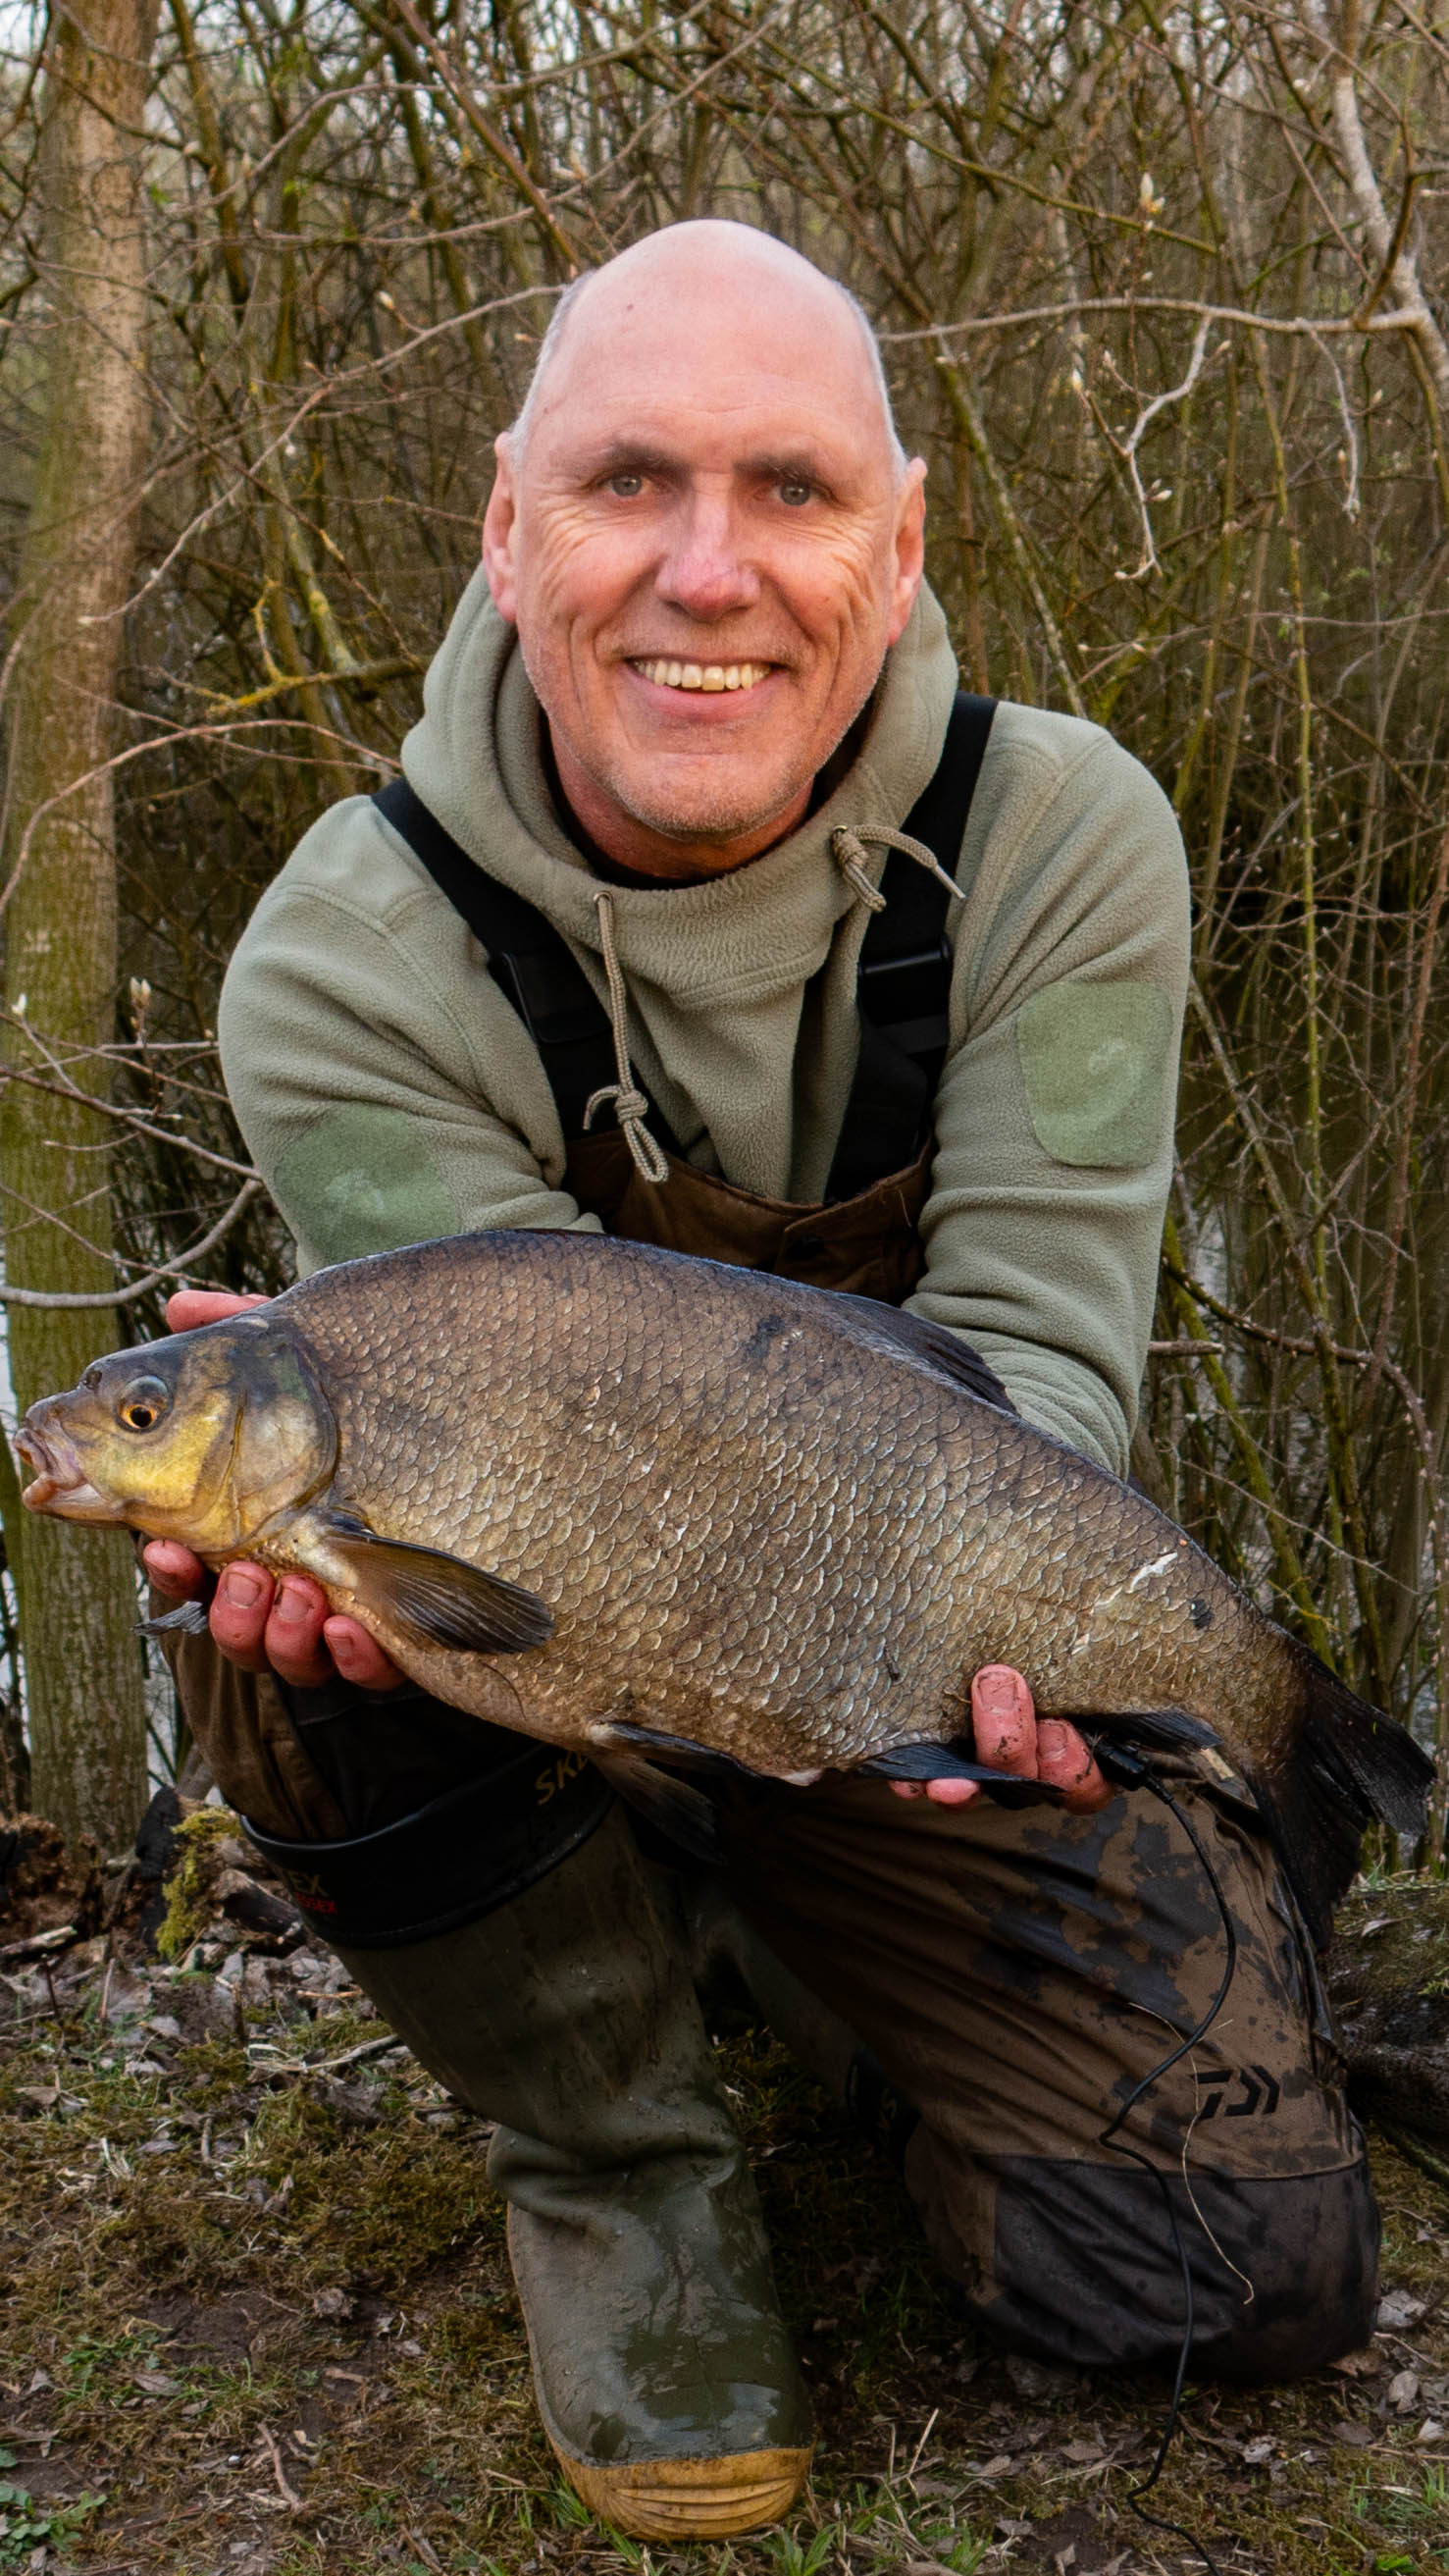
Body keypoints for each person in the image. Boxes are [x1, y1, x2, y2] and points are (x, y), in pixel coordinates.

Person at [147, 223, 1377, 2541]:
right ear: (506, 530)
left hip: (902, 1618)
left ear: (897, 545)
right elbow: (458, 1438)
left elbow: (1037, 1372)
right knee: (276, 1590)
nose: (708, 573)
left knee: (1235, 2266)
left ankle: (837, 1973)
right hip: (544, 1645)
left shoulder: (1062, 832)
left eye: (792, 492)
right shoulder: (349, 944)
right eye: (626, 485)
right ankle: (616, 2155)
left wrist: (976, 1688)